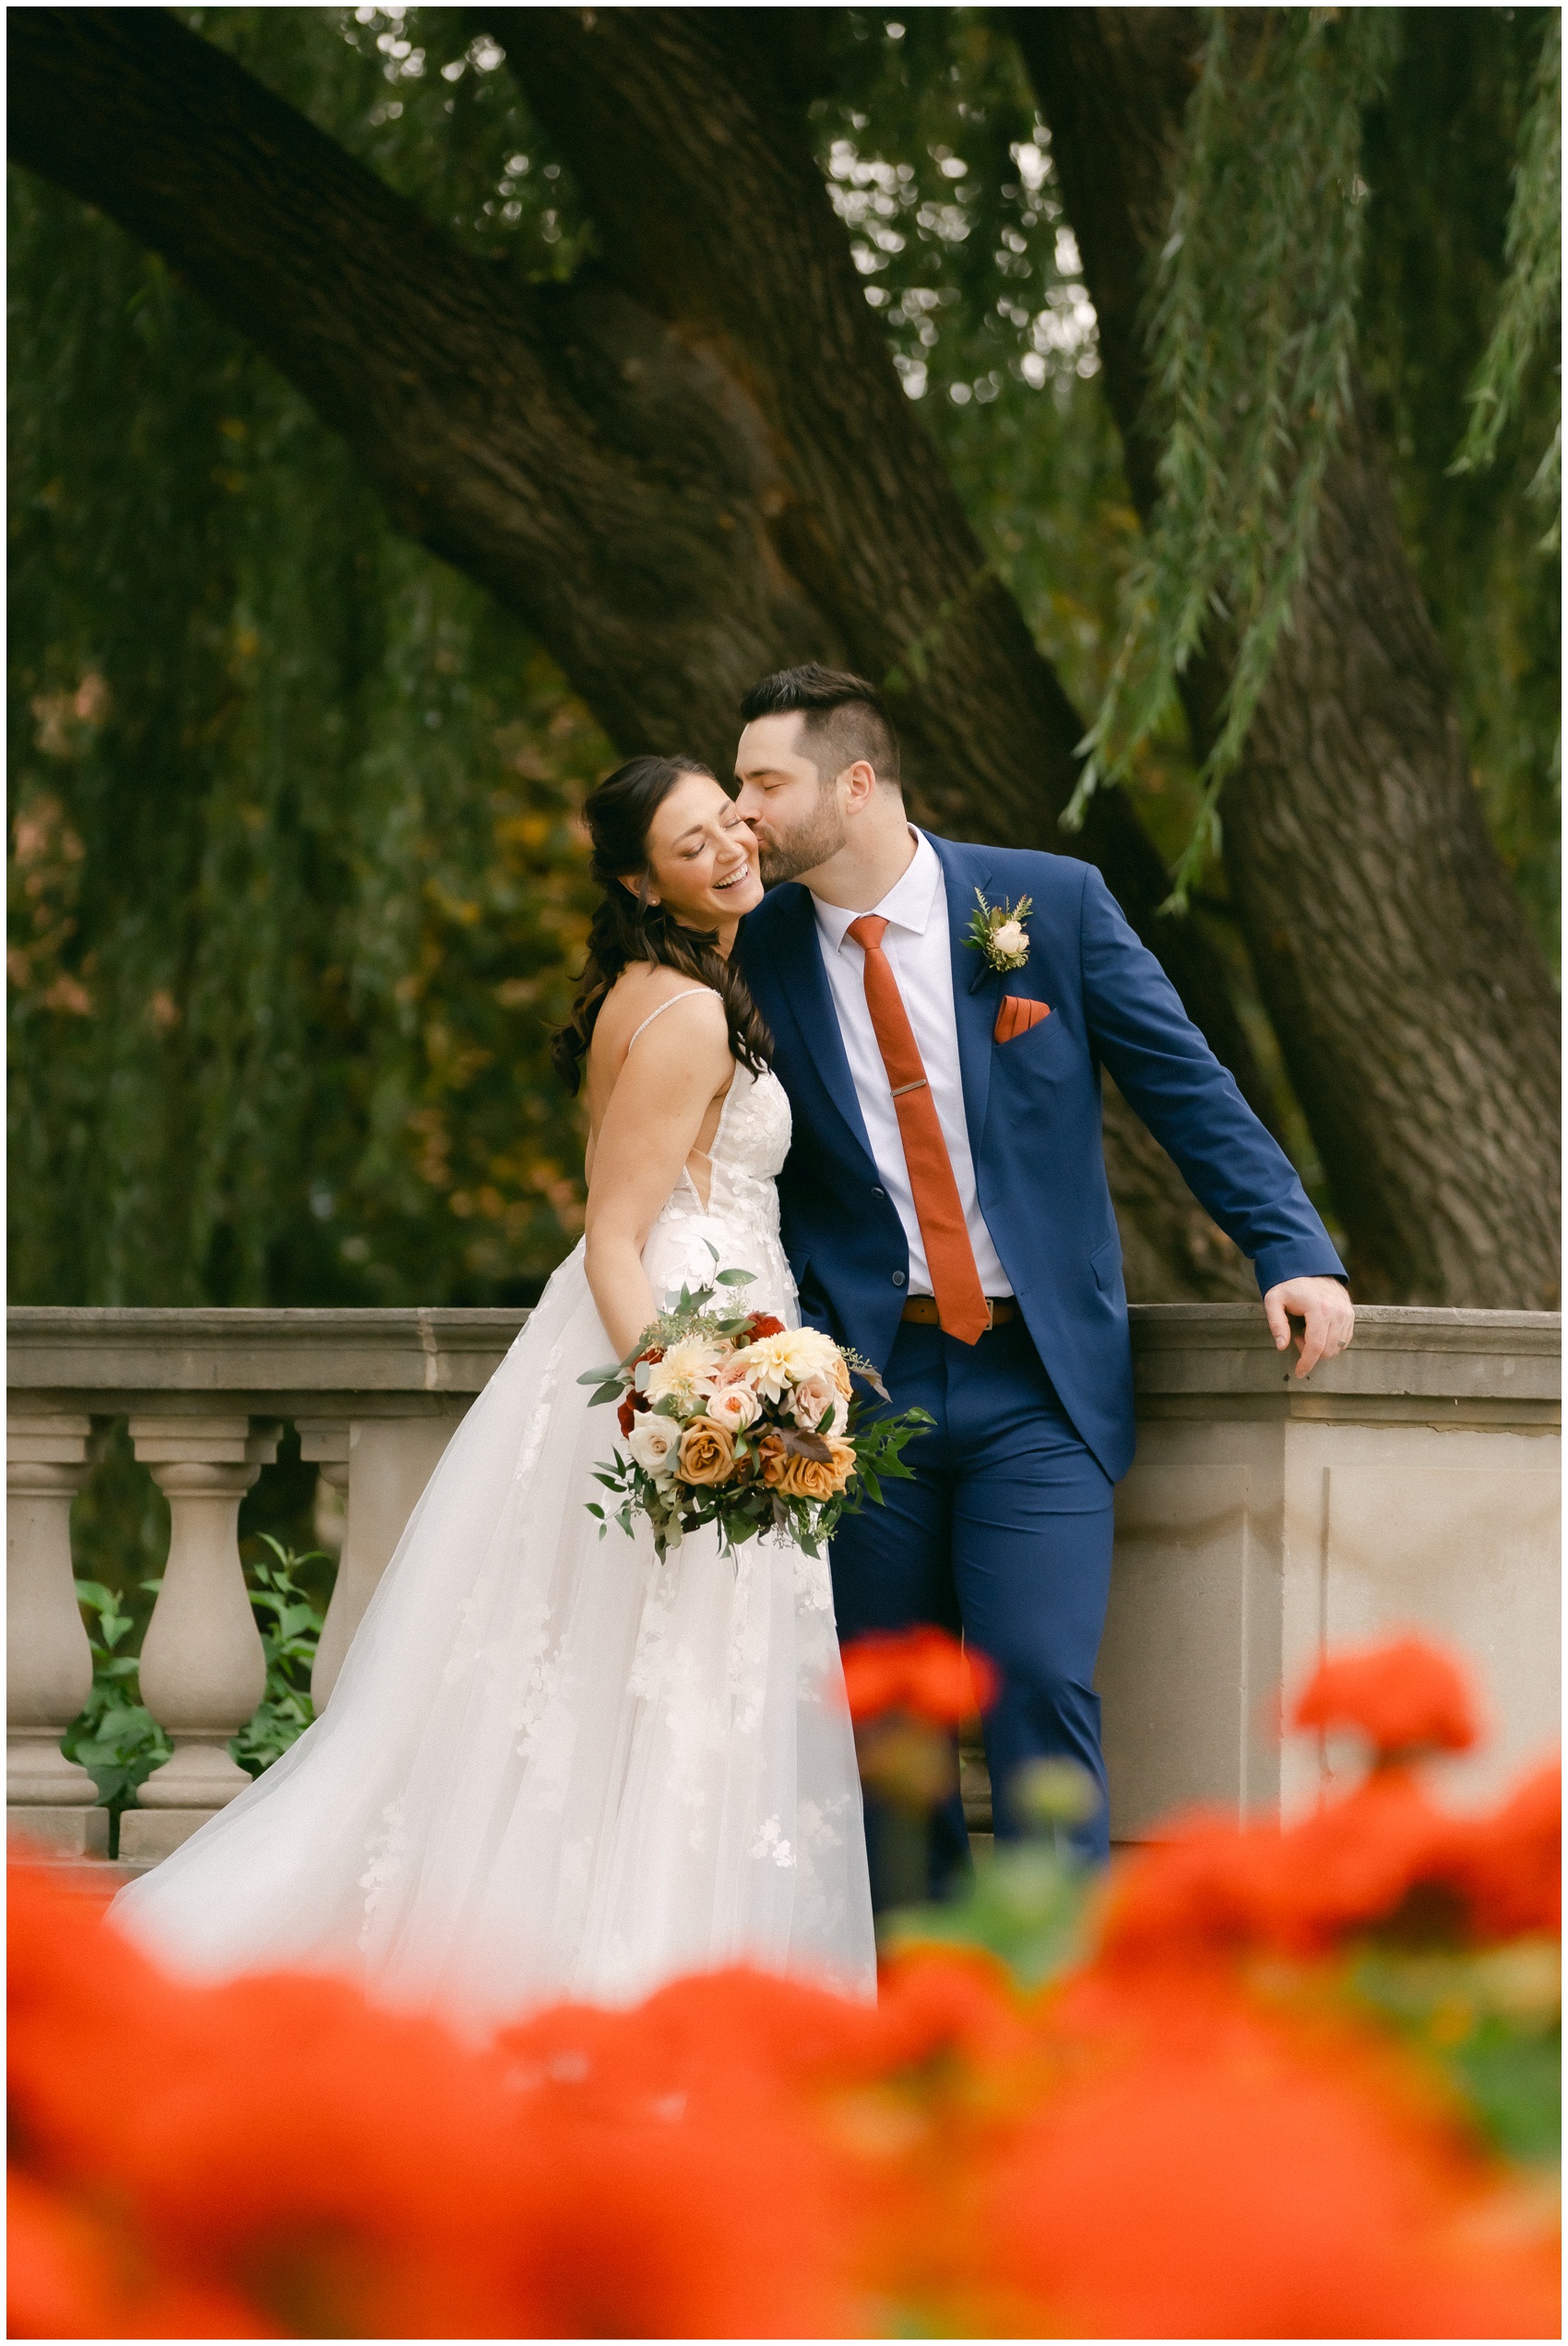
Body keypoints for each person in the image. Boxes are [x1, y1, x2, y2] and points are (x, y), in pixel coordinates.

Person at [113, 756, 875, 2033]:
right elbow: (615, 1236)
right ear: (644, 880)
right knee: (682, 1675)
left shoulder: (665, 985)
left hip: (697, 1327)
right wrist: (697, 1403)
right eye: (693, 846)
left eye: (730, 824)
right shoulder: (686, 1013)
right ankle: (648, 1997)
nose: (731, 850)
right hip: (688, 1336)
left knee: (627, 1682)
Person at [732, 664, 1354, 1898]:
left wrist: (1294, 1250)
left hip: (1041, 1382)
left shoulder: (1046, 906)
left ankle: (1058, 2008)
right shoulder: (749, 948)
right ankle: (928, 2003)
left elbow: (1187, 1086)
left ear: (855, 785)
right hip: (860, 1385)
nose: (741, 809)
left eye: (764, 782)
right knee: (887, 1716)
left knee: (1037, 1677)